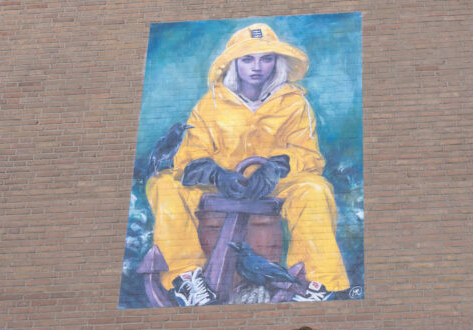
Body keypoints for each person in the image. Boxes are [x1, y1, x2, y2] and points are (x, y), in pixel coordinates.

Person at [146, 23, 350, 304]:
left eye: (266, 59)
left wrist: (275, 168)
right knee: (163, 183)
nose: (257, 67)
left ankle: (318, 284)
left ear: (277, 63)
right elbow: (188, 158)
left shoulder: (295, 103)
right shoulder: (210, 104)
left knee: (315, 189)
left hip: (274, 185)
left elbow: (309, 155)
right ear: (234, 64)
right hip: (220, 187)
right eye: (247, 59)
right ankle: (186, 279)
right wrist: (217, 175)